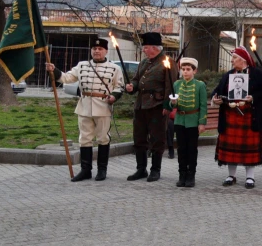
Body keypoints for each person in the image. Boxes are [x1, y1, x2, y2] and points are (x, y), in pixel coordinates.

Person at [45, 38, 124, 182]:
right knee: (85, 139)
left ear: (106, 51)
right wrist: (54, 70)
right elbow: (67, 77)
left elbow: (119, 86)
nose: (97, 51)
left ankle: (102, 170)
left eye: (100, 49)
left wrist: (114, 97)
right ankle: (85, 170)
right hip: (85, 106)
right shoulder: (82, 65)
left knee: (103, 138)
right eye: (94, 48)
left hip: (103, 106)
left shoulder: (115, 68)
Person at [211, 46, 262, 189]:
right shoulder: (228, 75)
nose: (232, 61)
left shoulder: (256, 74)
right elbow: (217, 91)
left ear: (243, 60)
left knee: (248, 149)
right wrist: (216, 98)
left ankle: (250, 177)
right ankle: (231, 175)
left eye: (234, 58)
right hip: (230, 116)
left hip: (250, 117)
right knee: (232, 149)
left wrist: (253, 98)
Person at [125, 32, 176, 183]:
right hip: (141, 105)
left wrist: (167, 105)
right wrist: (131, 87)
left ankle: (155, 170)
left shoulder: (168, 62)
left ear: (155, 48)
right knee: (139, 138)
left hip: (157, 106)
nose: (144, 50)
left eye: (146, 47)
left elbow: (171, 86)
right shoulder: (144, 63)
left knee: (157, 139)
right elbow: (136, 80)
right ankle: (141, 169)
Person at [169, 58, 208, 188]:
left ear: (194, 71)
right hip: (180, 120)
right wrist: (172, 103)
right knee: (181, 149)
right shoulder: (176, 84)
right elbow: (171, 103)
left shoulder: (200, 85)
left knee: (191, 149)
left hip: (193, 121)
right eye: (183, 69)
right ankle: (182, 175)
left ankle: (191, 175)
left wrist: (202, 123)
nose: (185, 72)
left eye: (188, 70)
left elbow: (203, 106)